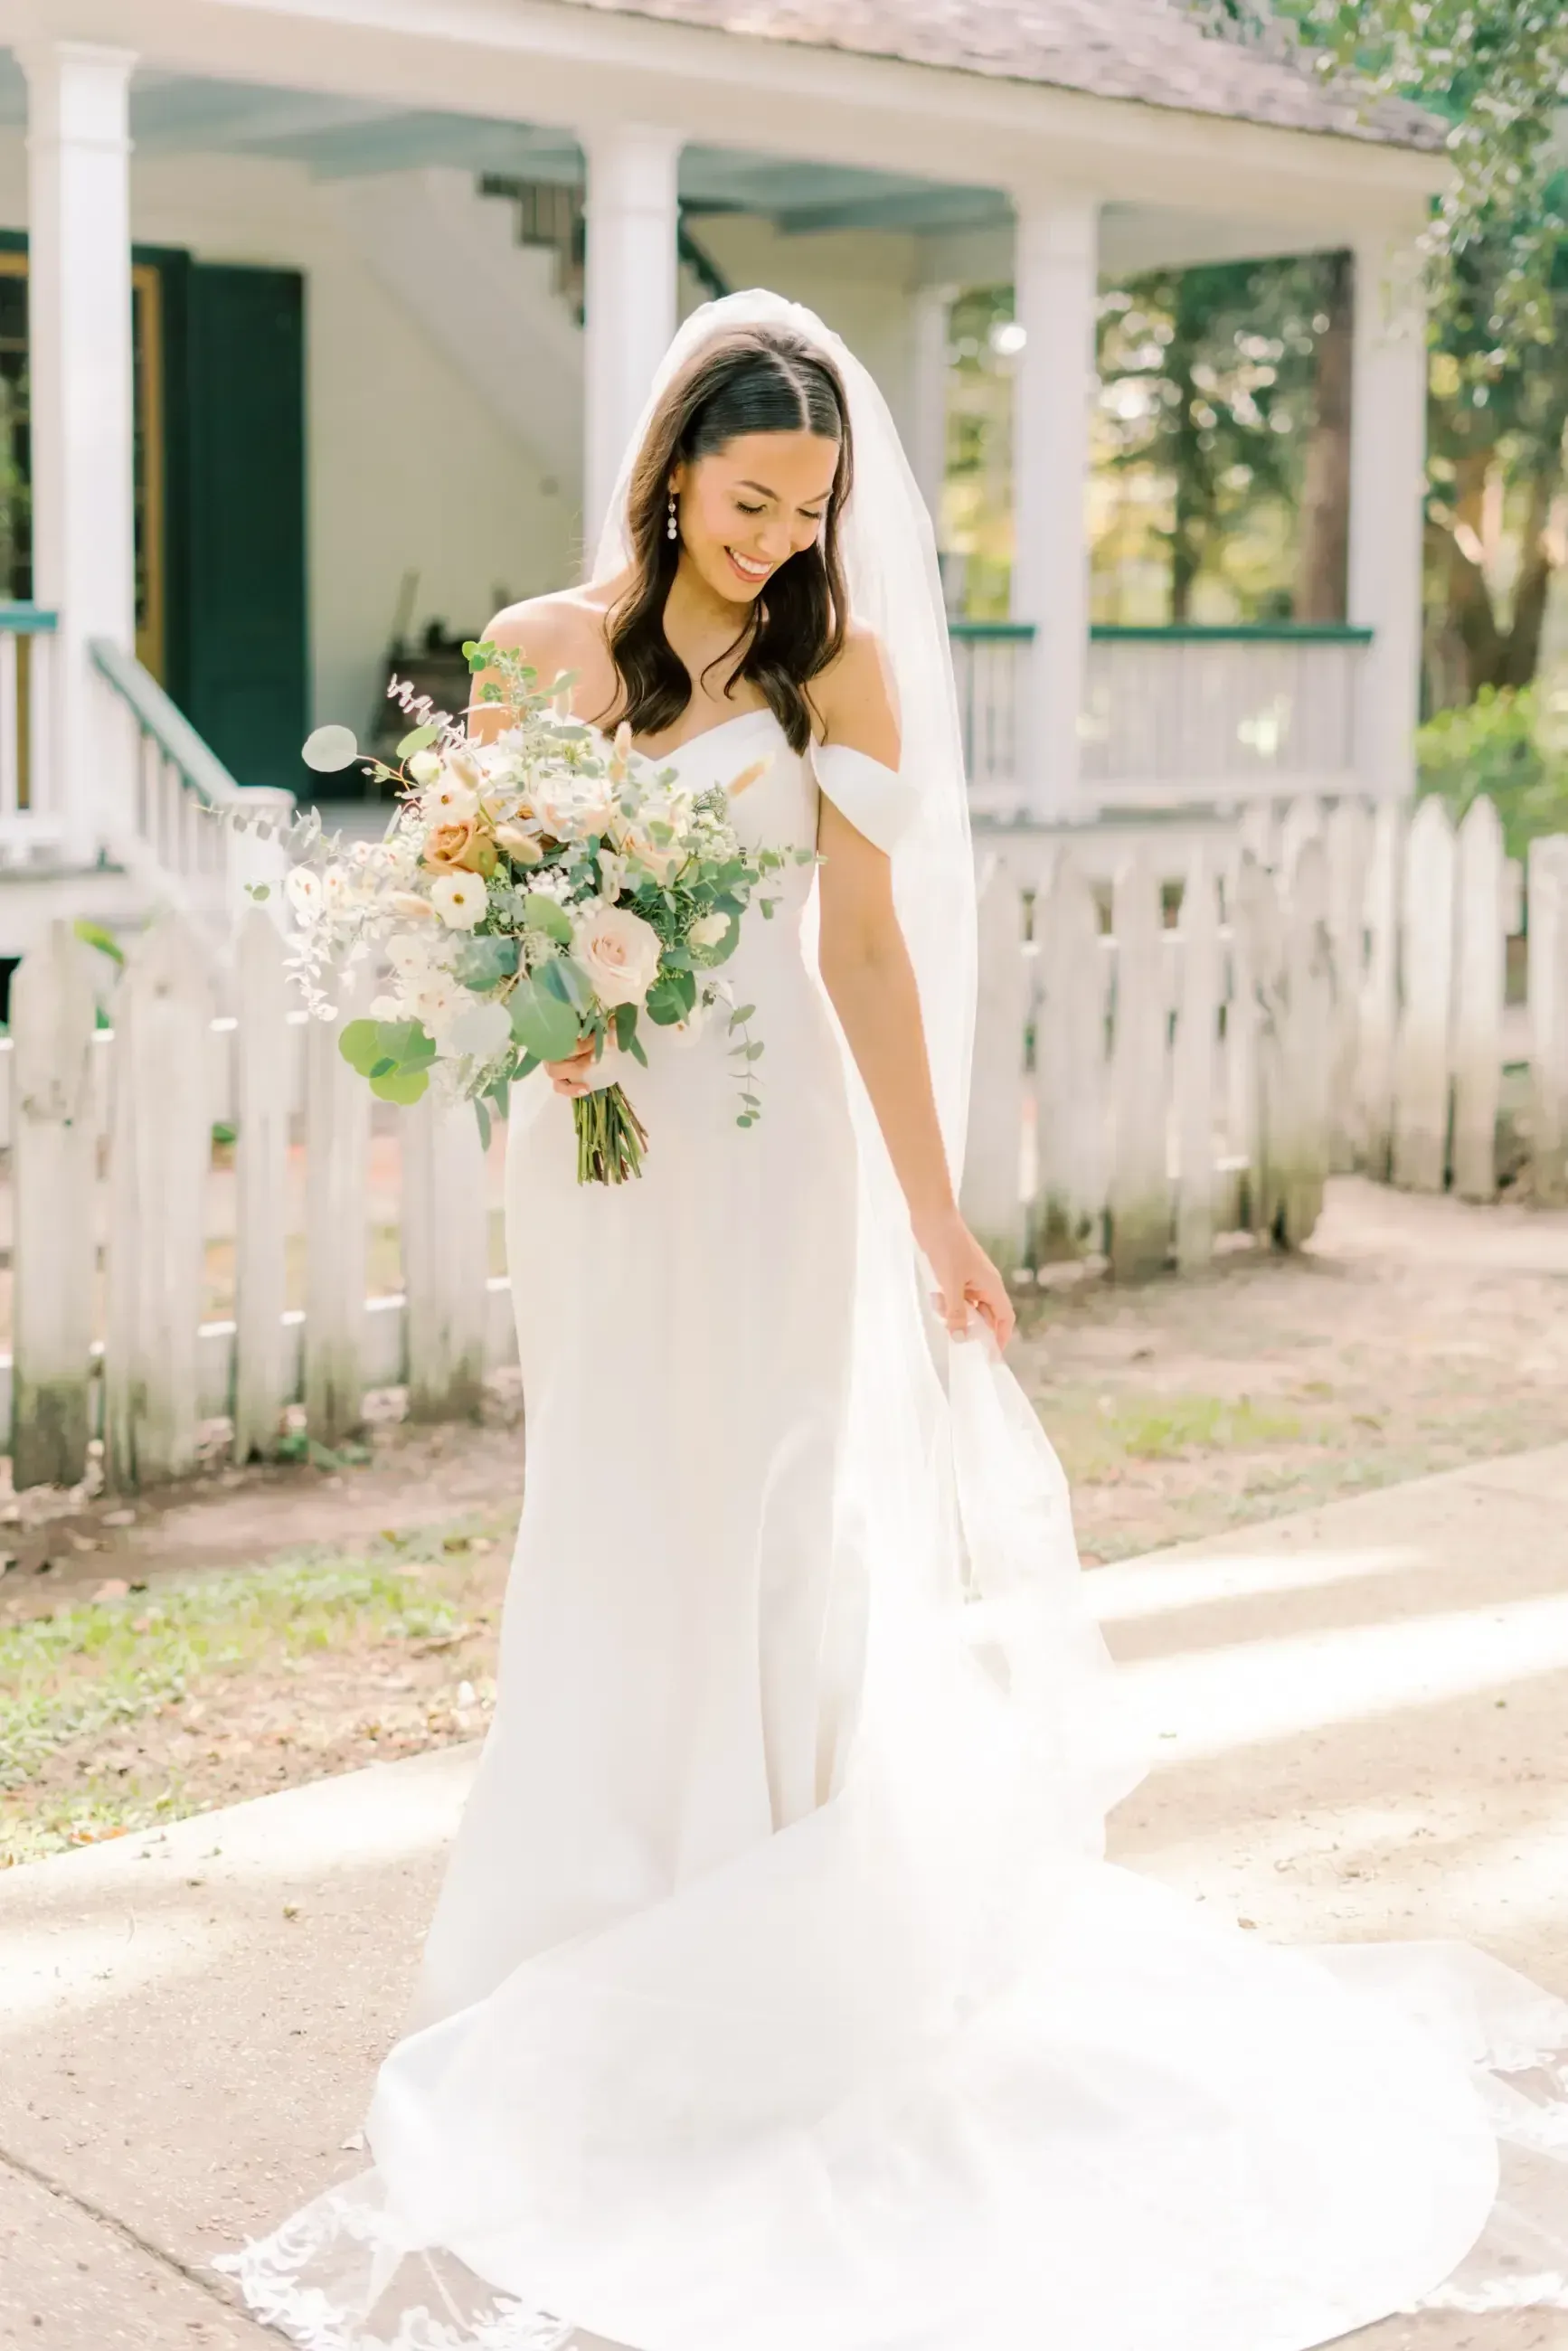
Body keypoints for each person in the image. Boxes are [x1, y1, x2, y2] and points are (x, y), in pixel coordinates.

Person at [220, 293, 1568, 2351]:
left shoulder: (835, 666)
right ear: (672, 473)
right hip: (590, 1153)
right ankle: (597, 1897)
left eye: (811, 507)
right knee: (610, 1493)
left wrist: (938, 1211)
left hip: (772, 1147)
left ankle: (782, 1908)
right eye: (749, 499)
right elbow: (444, 904)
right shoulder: (533, 651)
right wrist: (536, 1011)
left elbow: (858, 950)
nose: (776, 536)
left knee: (774, 1489)